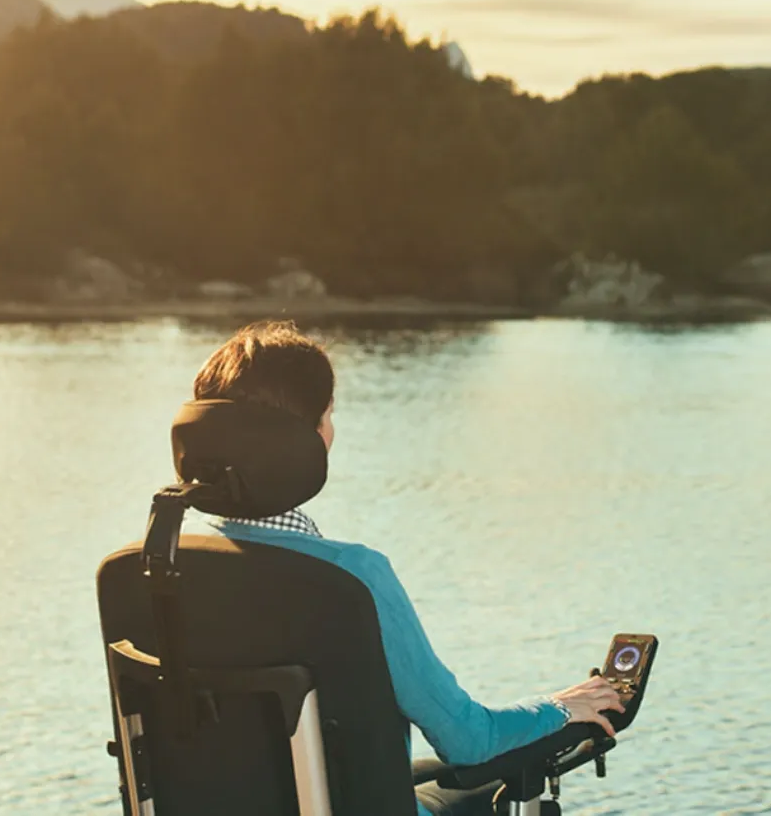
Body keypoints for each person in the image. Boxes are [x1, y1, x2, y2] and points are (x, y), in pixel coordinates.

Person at [191, 321, 625, 816]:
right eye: (329, 416)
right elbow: (468, 740)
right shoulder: (348, 577)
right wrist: (563, 706)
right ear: (306, 441)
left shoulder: (148, 569)